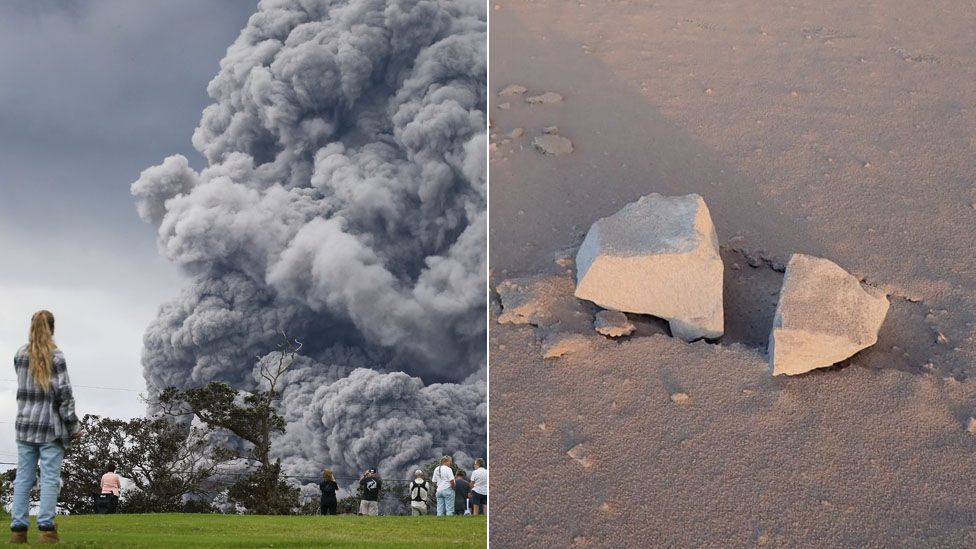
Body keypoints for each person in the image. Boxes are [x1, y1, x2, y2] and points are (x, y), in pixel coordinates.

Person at [9, 310, 82, 545]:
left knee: (23, 478)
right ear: (52, 329)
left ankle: (18, 532)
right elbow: (64, 395)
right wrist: (73, 426)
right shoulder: (56, 356)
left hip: (24, 426)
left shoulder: (20, 355)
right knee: (50, 479)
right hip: (50, 428)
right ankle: (47, 531)